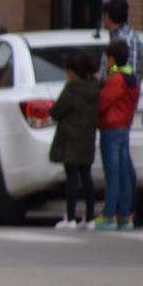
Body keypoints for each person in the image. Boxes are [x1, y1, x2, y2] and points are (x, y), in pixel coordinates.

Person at [48, 51, 101, 229]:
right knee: (87, 178)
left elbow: (56, 112)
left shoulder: (71, 89)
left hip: (70, 140)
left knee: (72, 179)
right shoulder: (96, 88)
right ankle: (90, 218)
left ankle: (70, 218)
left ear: (72, 72)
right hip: (88, 138)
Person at [96, 40, 138, 231]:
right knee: (124, 174)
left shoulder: (116, 79)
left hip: (111, 129)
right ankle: (125, 216)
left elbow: (103, 103)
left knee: (112, 174)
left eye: (106, 59)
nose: (105, 62)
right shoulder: (131, 78)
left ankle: (109, 215)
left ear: (112, 59)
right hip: (124, 128)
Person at [102, 0, 143, 88]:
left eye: (103, 15)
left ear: (107, 16)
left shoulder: (129, 41)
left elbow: (131, 76)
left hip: (120, 99)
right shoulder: (115, 38)